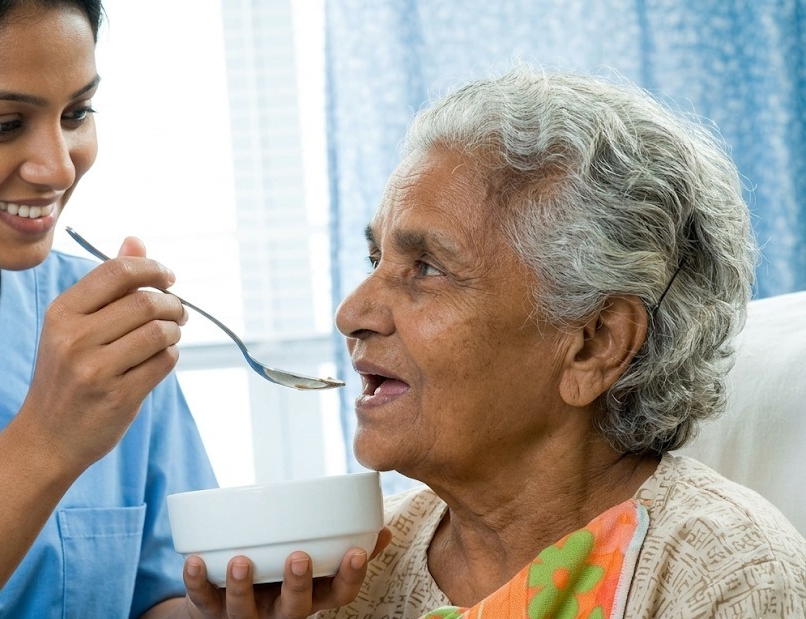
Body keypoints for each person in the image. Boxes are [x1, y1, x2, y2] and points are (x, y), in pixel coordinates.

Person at [0, 1, 373, 617]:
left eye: (76, 113)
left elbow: (162, 593)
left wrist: (238, 610)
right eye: (2, 124)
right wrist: (47, 441)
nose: (59, 167)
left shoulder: (106, 329)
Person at [315, 65, 806, 618]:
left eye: (427, 267)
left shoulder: (726, 577)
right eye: (376, 258)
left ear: (594, 345)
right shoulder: (343, 569)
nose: (351, 314)